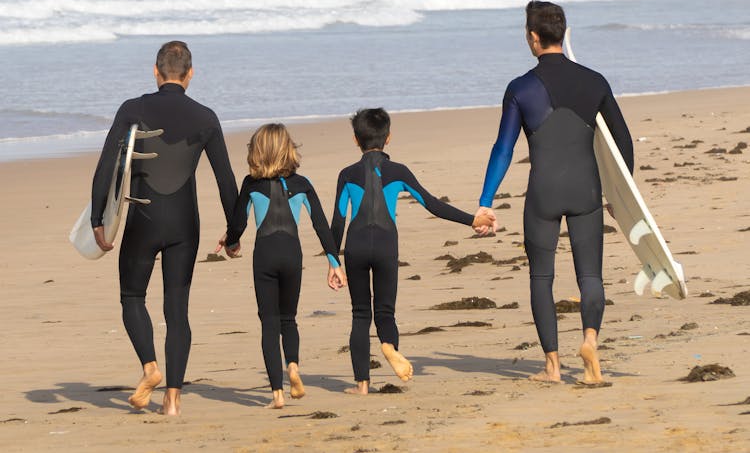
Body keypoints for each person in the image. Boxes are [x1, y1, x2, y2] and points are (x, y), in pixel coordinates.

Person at [478, 1, 634, 385]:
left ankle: (552, 367)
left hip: (543, 193)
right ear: (563, 34)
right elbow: (623, 141)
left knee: (541, 277)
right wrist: (620, 197)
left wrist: (485, 201)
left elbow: (503, 148)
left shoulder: (520, 88)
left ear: (533, 37)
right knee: (591, 276)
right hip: (586, 190)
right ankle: (591, 341)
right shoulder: (595, 80)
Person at [91, 41, 238, 416]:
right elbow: (226, 181)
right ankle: (172, 402)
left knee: (132, 297)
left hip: (142, 220)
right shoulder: (206, 117)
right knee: (177, 310)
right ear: (190, 74)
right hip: (185, 225)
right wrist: (235, 233)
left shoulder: (132, 109)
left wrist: (97, 220)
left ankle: (149, 367)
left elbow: (107, 165)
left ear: (155, 72)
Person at [331, 107, 496, 394]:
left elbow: (337, 222)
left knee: (360, 313)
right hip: (385, 246)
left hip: (355, 247)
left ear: (356, 140)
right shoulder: (399, 171)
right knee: (385, 311)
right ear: (389, 138)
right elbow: (432, 204)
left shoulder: (346, 175)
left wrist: (334, 261)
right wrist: (472, 220)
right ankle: (388, 347)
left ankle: (361, 385)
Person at [217, 123, 346, 408]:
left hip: (264, 256)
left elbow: (238, 224)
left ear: (256, 151)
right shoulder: (302, 184)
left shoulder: (251, 185)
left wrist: (230, 243)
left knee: (269, 322)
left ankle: (277, 394)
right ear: (289, 149)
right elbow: (321, 226)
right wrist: (334, 262)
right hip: (292, 255)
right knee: (289, 319)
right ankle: (294, 368)